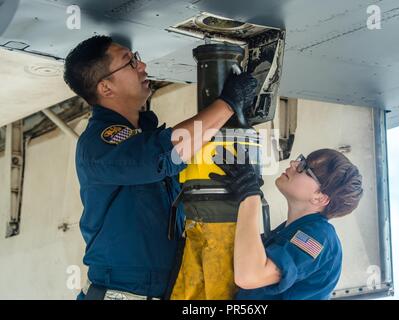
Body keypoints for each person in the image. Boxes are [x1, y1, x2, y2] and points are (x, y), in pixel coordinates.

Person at [63, 35, 257, 300]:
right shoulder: (101, 143)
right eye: (130, 62)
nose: (142, 66)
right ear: (106, 87)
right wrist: (228, 103)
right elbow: (166, 153)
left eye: (137, 57)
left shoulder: (140, 135)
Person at [209, 146, 363, 299]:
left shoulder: (320, 237)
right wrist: (242, 192)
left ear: (320, 197)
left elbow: (250, 276)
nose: (293, 163)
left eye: (304, 167)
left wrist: (249, 196)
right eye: (301, 160)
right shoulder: (288, 231)